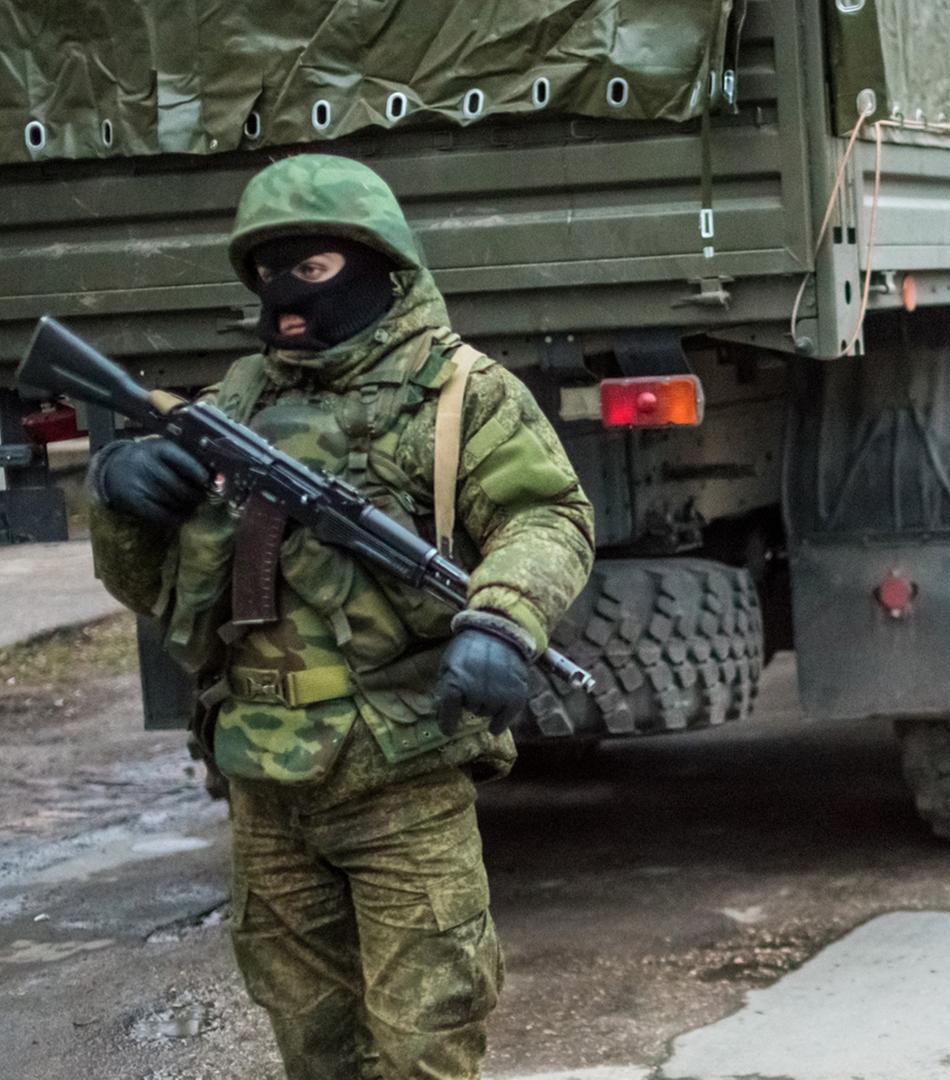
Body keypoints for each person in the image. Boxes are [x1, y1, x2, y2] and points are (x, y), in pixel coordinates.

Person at [85, 154, 595, 1078]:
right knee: (311, 1043)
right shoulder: (234, 403)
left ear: (372, 263)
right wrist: (117, 498)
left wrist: (504, 616)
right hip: (261, 773)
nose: (285, 296)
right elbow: (156, 592)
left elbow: (547, 516)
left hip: (399, 771)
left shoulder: (457, 394)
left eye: (311, 270)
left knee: (424, 1041)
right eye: (267, 272)